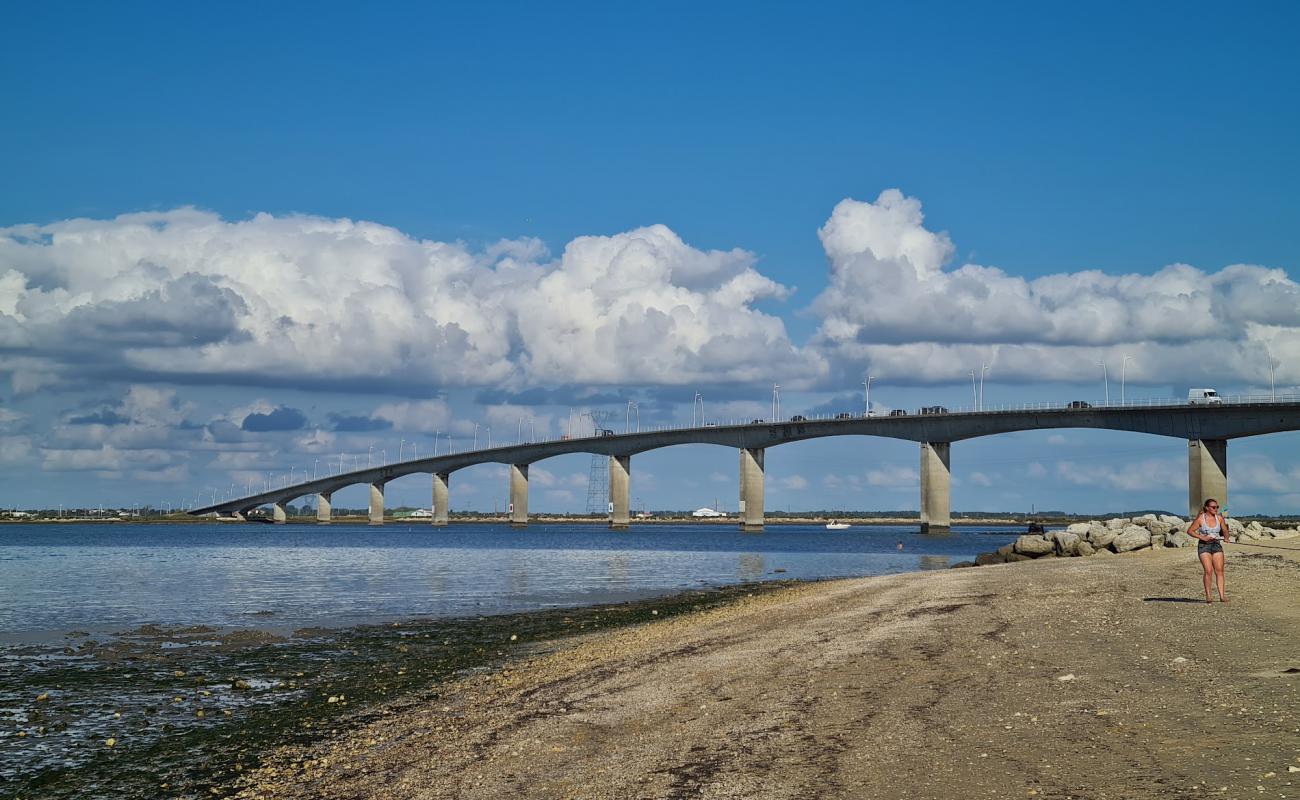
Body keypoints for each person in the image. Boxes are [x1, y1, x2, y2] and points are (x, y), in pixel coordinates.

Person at [1186, 498, 1231, 603]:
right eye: (1213, 507)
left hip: (1216, 545)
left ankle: (1222, 596)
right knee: (1208, 571)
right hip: (1204, 546)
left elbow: (1225, 530)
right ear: (1207, 508)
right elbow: (1190, 531)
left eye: (1217, 507)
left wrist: (1226, 537)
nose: (1216, 509)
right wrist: (1203, 538)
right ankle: (1209, 596)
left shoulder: (1219, 518)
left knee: (1219, 571)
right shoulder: (1201, 519)